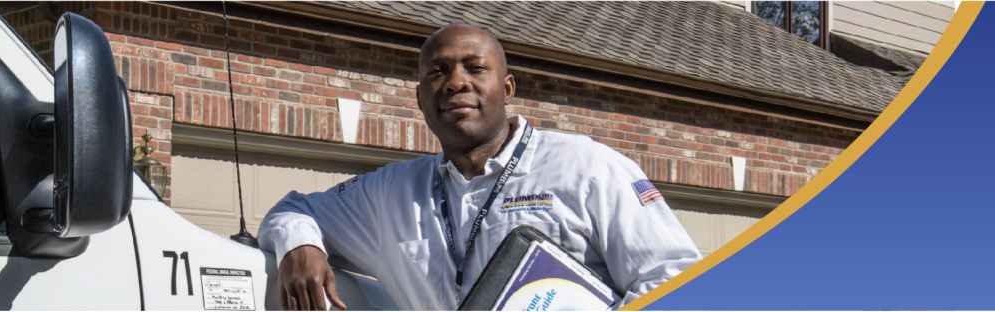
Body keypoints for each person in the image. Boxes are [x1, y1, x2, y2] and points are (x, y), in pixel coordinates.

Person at [260, 23, 702, 311]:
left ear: (507, 87)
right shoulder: (389, 193)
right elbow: (295, 209)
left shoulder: (587, 168)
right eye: (438, 71)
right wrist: (300, 248)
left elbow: (675, 281)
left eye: (475, 68)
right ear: (419, 98)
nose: (456, 82)